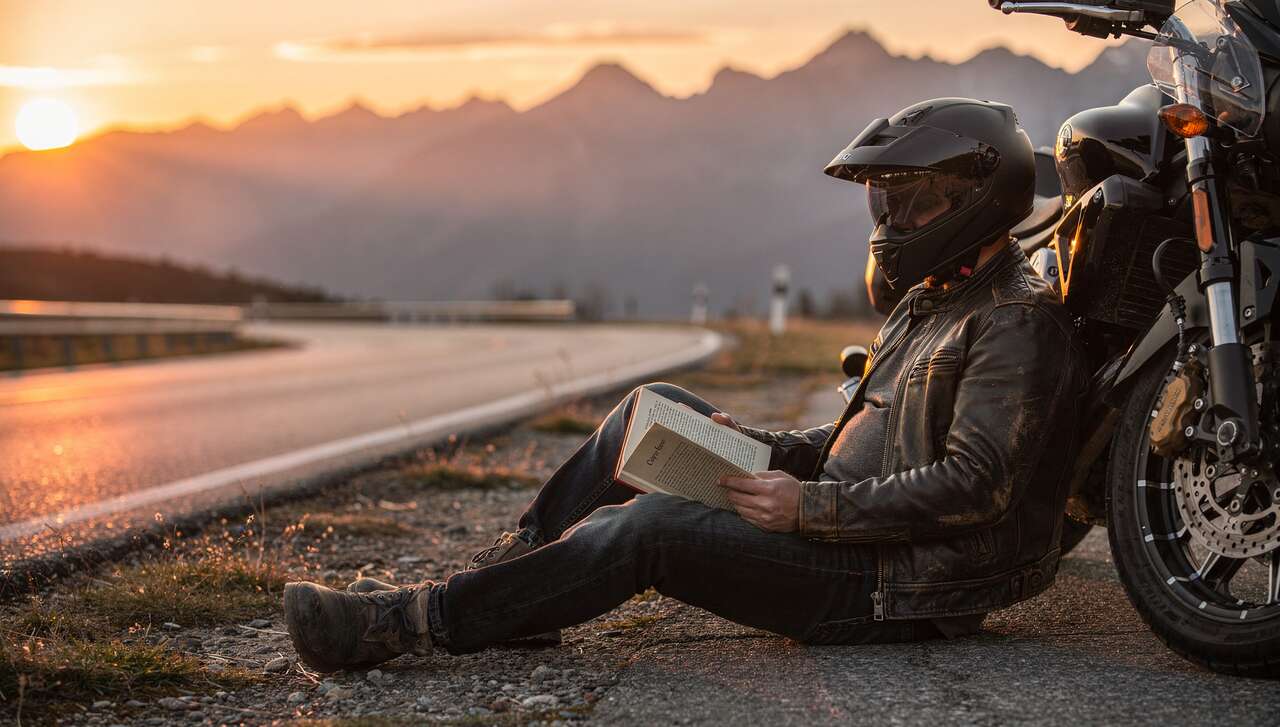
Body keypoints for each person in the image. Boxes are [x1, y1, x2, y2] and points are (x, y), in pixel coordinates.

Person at [282, 97, 1088, 672]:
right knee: (652, 408)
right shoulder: (937, 296)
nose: (890, 221)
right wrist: (775, 450)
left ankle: (411, 620)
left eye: (910, 202)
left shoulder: (1016, 321)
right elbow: (866, 436)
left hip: (889, 584)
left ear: (973, 198)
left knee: (650, 527)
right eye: (886, 199)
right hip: (843, 525)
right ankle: (514, 585)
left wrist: (807, 505)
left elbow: (976, 486)